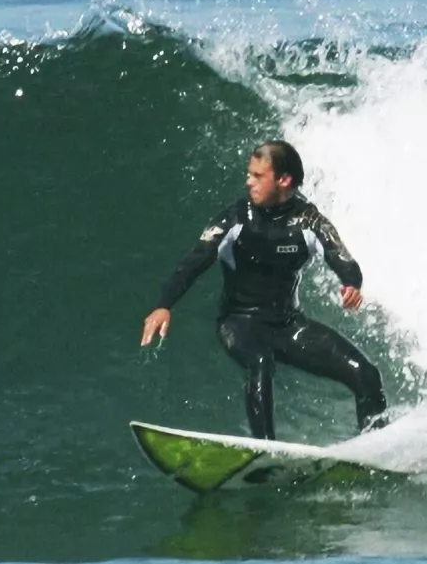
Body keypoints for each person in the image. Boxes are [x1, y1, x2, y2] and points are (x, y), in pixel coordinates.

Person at [140, 140, 387, 441]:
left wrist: (351, 282)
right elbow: (194, 261)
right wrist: (165, 303)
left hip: (288, 325)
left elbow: (341, 257)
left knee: (366, 373)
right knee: (259, 362)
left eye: (258, 176)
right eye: (250, 174)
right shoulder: (235, 219)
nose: (248, 181)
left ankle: (377, 443)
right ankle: (265, 449)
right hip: (239, 322)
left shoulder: (308, 221)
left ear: (283, 180)